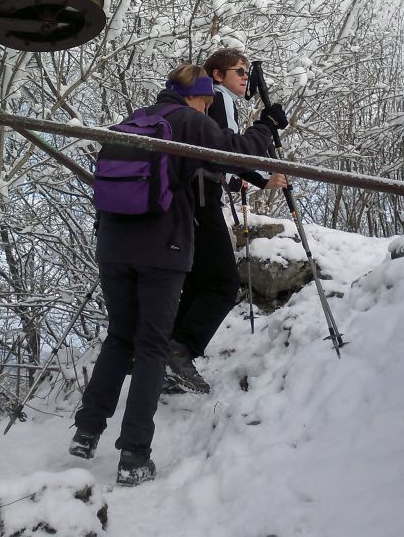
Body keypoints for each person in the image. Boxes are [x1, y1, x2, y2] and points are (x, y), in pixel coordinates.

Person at [69, 63, 288, 486]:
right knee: (151, 346)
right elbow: (239, 149)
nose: (208, 108)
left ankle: (86, 431)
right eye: (207, 101)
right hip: (162, 247)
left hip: (113, 247)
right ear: (199, 96)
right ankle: (134, 456)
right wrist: (266, 124)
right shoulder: (189, 122)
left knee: (120, 336)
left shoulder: (133, 121)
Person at [166, 48, 287, 394]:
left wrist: (255, 179)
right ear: (217, 76)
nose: (245, 79)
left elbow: (219, 155)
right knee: (222, 282)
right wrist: (266, 133)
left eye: (247, 73)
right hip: (200, 198)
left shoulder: (211, 102)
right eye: (239, 71)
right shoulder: (218, 99)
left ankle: (169, 353)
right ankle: (179, 350)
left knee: (199, 282)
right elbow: (226, 151)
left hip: (193, 195)